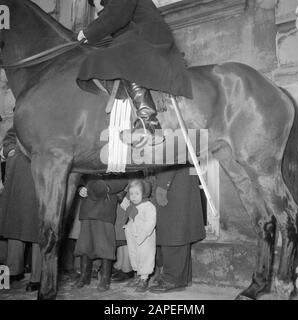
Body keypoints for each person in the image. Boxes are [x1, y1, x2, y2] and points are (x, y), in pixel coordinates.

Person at [77, 0, 192, 145]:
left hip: (149, 37)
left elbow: (115, 15)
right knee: (107, 54)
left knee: (113, 55)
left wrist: (88, 32)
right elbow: (111, 16)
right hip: (137, 37)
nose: (98, 6)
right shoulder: (110, 5)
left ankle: (148, 123)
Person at [149, 166, 206, 293]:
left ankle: (172, 279)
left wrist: (163, 185)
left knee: (173, 233)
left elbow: (170, 159)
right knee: (181, 232)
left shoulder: (172, 147)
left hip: (174, 187)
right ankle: (182, 278)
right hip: (182, 183)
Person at [0, 126, 41, 291]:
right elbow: (9, 138)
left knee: (38, 229)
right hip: (17, 178)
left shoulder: (50, 116)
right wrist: (10, 150)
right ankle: (13, 270)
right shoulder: (21, 119)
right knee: (14, 225)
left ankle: (38, 277)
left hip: (39, 177)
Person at [73, 174, 128, 291]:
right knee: (85, 243)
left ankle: (105, 278)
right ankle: (84, 276)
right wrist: (80, 187)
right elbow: (80, 176)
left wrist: (107, 187)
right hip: (88, 207)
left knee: (105, 245)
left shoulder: (116, 159)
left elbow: (123, 179)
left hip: (105, 207)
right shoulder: (90, 161)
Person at [121, 179, 156, 292]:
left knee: (145, 256)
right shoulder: (131, 206)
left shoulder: (148, 206)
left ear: (144, 193)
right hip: (133, 237)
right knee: (134, 255)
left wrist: (142, 235)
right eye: (131, 194)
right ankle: (137, 275)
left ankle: (144, 279)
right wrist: (128, 227)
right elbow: (131, 220)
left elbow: (150, 223)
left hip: (144, 238)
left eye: (137, 193)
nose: (133, 196)